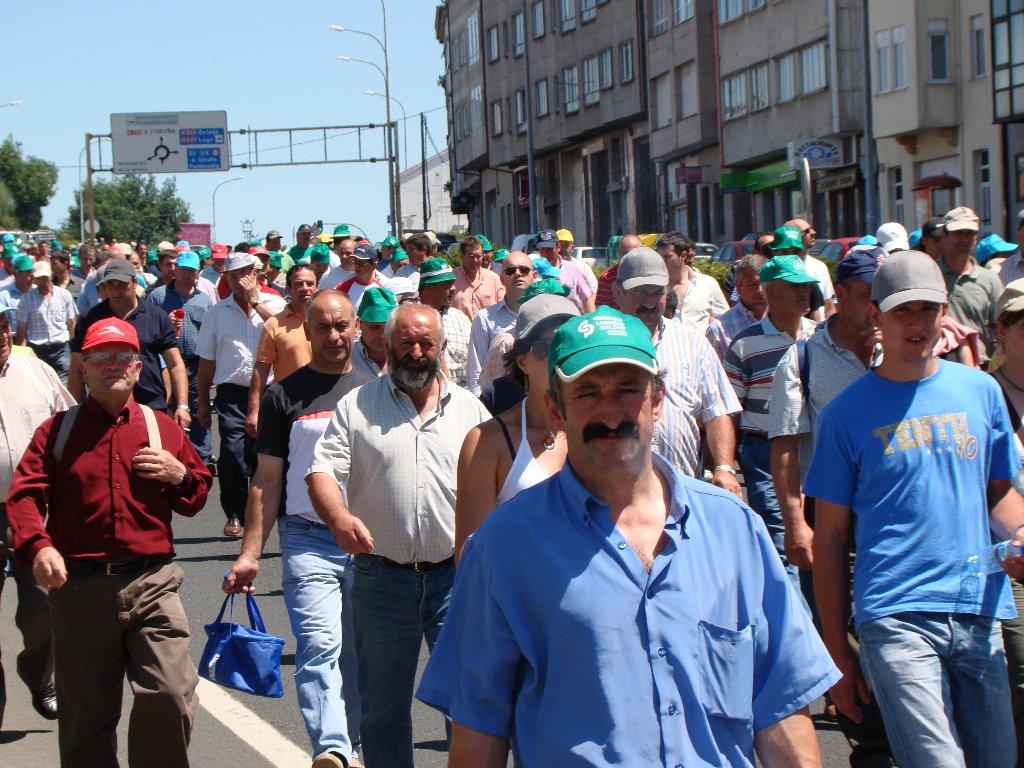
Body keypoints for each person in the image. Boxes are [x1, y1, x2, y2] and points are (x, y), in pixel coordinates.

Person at [417, 306, 840, 768]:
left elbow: (779, 710)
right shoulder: (504, 547)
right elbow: (478, 733)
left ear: (657, 400)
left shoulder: (734, 530)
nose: (611, 413)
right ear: (556, 409)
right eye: (587, 393)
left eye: (627, 390)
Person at [806, 250, 1024, 768]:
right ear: (875, 316)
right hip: (894, 614)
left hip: (978, 607)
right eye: (903, 310)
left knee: (998, 758)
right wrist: (835, 649)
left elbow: (996, 493)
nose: (918, 323)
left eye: (928, 309)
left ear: (945, 312)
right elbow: (830, 538)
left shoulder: (981, 391)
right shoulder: (844, 416)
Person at [6, 317, 211, 768]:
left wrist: (180, 475)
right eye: (101, 357)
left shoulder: (162, 428)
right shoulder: (55, 432)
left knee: (171, 694)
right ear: (84, 367)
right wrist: (38, 546)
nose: (112, 365)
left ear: (139, 367)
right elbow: (23, 497)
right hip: (79, 592)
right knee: (86, 722)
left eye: (123, 356)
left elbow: (196, 496)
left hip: (152, 584)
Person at [307, 303, 491, 768]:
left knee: (466, 707)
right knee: (383, 709)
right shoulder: (357, 405)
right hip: (381, 579)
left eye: (425, 343)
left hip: (456, 581)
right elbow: (322, 470)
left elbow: (498, 485)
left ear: (441, 347)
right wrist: (338, 518)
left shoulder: (471, 410)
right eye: (405, 342)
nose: (416, 352)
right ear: (385, 346)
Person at [224, 291, 371, 768]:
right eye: (322, 327)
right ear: (306, 333)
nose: (333, 335)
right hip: (308, 539)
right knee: (319, 644)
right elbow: (266, 481)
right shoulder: (282, 395)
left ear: (356, 328)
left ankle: (352, 744)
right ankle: (331, 747)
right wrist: (250, 553)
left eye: (341, 325)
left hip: (371, 543)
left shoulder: (377, 389)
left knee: (360, 654)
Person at [455, 292, 579, 558]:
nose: (559, 359)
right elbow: (471, 557)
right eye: (545, 349)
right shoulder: (486, 443)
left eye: (569, 346)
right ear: (522, 361)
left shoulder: (601, 431)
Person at [725, 251, 818, 598]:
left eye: (805, 287)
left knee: (818, 540)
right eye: (792, 287)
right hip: (765, 455)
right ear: (770, 293)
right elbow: (732, 409)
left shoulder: (820, 337)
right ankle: (798, 629)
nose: (802, 294)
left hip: (816, 451)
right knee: (784, 542)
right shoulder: (745, 345)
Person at [614, 247, 742, 495]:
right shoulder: (602, 345)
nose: (650, 302)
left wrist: (724, 467)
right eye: (641, 292)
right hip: (619, 492)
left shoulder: (693, 343)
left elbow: (718, 411)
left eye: (658, 292)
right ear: (618, 293)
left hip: (684, 487)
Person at [0, 310, 73, 731]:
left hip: (33, 513)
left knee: (43, 607)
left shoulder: (36, 370)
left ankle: (37, 672)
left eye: (3, 326)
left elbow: (72, 423)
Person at [197, 254, 286, 538]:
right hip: (232, 393)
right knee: (233, 454)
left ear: (258, 273)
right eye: (232, 275)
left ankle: (265, 513)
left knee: (268, 456)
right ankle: (234, 512)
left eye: (245, 273)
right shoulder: (217, 312)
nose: (239, 281)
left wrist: (256, 301)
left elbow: (286, 334)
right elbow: (206, 361)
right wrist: (200, 401)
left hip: (271, 391)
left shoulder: (275, 305)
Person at [69, 259, 191, 428]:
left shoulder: (156, 316)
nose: (116, 290)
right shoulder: (90, 318)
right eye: (111, 284)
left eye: (122, 284)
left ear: (134, 283)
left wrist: (182, 406)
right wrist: (76, 409)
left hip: (150, 405)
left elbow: (175, 364)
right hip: (103, 406)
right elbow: (77, 365)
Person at [987, 278, 1024, 768]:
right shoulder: (984, 392)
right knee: (1020, 668)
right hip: (1010, 558)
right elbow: (987, 487)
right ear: (1001, 330)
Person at [149, 251, 215, 467]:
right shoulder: (158, 297)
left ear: (198, 272)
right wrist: (164, 323)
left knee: (198, 408)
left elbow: (211, 334)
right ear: (175, 270)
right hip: (164, 364)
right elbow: (146, 327)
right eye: (184, 269)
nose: (187, 274)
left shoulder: (203, 300)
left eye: (192, 270)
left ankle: (201, 459)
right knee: (165, 408)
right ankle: (170, 452)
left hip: (195, 363)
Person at [246, 264, 317, 438]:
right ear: (289, 288)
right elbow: (260, 370)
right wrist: (254, 411)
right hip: (288, 404)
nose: (305, 289)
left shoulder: (328, 323)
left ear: (317, 287)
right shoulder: (274, 324)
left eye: (310, 283)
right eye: (299, 284)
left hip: (322, 402)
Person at [938, 206, 1004, 361]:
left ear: (976, 237)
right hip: (938, 367)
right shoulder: (930, 274)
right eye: (958, 233)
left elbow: (1003, 326)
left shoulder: (989, 280)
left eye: (970, 233)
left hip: (981, 367)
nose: (964, 239)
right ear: (944, 236)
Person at [466, 251, 534, 396]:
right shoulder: (484, 318)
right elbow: (476, 369)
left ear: (533, 276)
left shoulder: (544, 313)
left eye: (524, 270)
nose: (517, 274)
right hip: (500, 402)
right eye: (510, 271)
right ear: (502, 279)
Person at [14, 261, 76, 383]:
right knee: (42, 384)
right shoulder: (26, 300)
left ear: (51, 275)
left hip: (61, 347)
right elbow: (22, 331)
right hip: (38, 349)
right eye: (38, 278)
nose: (42, 281)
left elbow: (71, 322)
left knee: (63, 384)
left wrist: (72, 347)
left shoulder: (64, 295)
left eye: (45, 277)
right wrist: (22, 356)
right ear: (33, 279)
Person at [654, 232, 728, 332]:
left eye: (667, 256)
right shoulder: (655, 288)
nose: (661, 261)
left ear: (683, 255)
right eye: (659, 257)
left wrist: (713, 326)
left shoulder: (707, 283)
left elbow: (725, 319)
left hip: (700, 346)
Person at [417, 257, 472, 388]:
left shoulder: (460, 319)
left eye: (453, 282)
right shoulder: (411, 320)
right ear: (428, 287)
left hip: (460, 395)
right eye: (446, 283)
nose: (453, 288)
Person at [707, 254, 767, 360]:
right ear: (738, 287)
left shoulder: (783, 321)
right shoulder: (718, 331)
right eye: (752, 284)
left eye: (764, 283)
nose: (760, 291)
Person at [784, 218, 836, 319]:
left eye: (811, 229)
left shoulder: (820, 267)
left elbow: (829, 307)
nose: (813, 232)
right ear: (793, 237)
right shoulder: (779, 269)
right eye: (806, 231)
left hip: (818, 332)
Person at [536, 228, 596, 312]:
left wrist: (590, 319)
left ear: (558, 247)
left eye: (549, 249)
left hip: (572, 319)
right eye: (542, 249)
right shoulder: (532, 271)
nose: (546, 252)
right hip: (544, 320)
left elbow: (587, 299)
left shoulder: (573, 268)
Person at [451, 234, 504, 321]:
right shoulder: (452, 279)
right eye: (471, 256)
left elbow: (502, 307)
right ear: (462, 256)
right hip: (462, 332)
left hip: (489, 332)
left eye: (478, 256)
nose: (475, 260)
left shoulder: (493, 278)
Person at [352, 286, 396, 378]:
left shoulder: (405, 356)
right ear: (359, 324)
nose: (382, 335)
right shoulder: (347, 359)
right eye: (374, 327)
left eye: (388, 327)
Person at [595, 234, 644, 309]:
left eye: (637, 252)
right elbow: (602, 311)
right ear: (619, 253)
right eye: (627, 253)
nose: (633, 256)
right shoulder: (607, 277)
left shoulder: (652, 273)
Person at [336, 243, 383, 308]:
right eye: (355, 261)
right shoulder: (343, 287)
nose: (357, 266)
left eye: (362, 262)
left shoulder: (381, 289)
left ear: (374, 265)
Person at [0, 255, 35, 334]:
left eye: (33, 271)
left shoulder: (37, 291)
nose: (32, 276)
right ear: (16, 274)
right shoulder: (4, 295)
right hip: (14, 340)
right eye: (29, 272)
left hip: (35, 340)